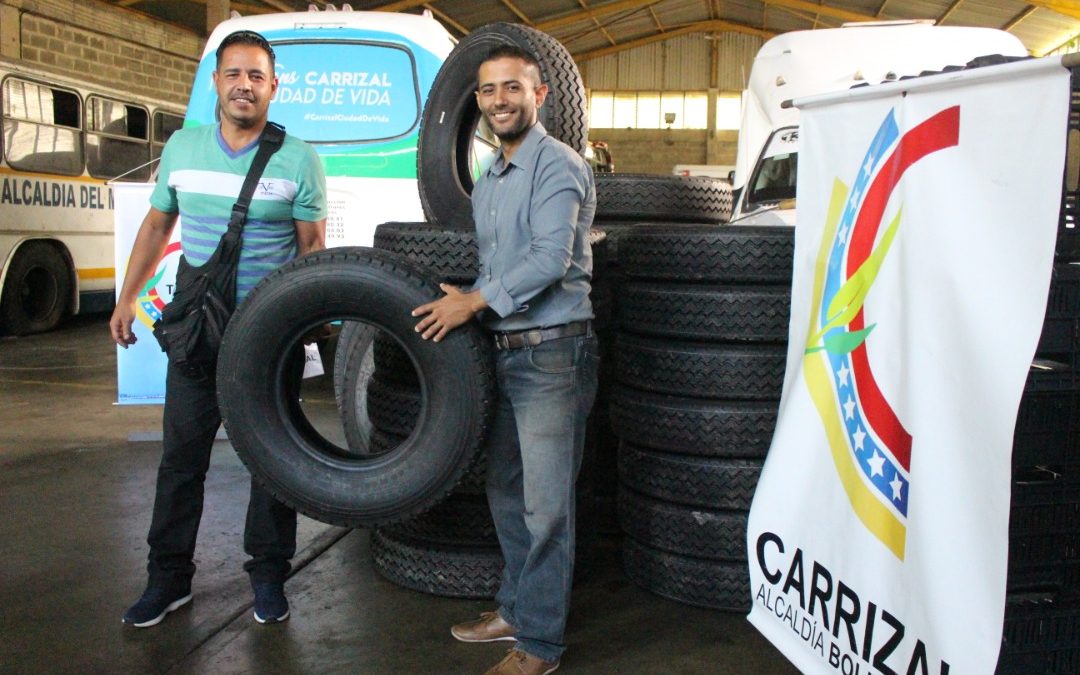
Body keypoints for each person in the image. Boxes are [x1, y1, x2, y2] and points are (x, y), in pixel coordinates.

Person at [110, 30, 327, 628]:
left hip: (268, 332)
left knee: (272, 459)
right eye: (234, 74)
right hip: (198, 332)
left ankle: (268, 576)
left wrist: (306, 327)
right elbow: (156, 229)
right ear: (217, 82)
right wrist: (127, 297)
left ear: (274, 87)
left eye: (257, 76)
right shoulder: (183, 147)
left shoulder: (299, 158)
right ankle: (168, 580)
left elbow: (311, 251)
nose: (244, 85)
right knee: (181, 459)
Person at [412, 45, 598, 675]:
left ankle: (541, 645)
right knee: (507, 489)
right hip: (505, 352)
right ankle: (517, 608)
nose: (499, 100)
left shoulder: (559, 165)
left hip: (553, 355)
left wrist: (475, 302)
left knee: (547, 507)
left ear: (539, 94)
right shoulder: (491, 175)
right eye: (489, 90)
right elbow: (499, 266)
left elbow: (551, 259)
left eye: (512, 87)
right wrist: (466, 296)